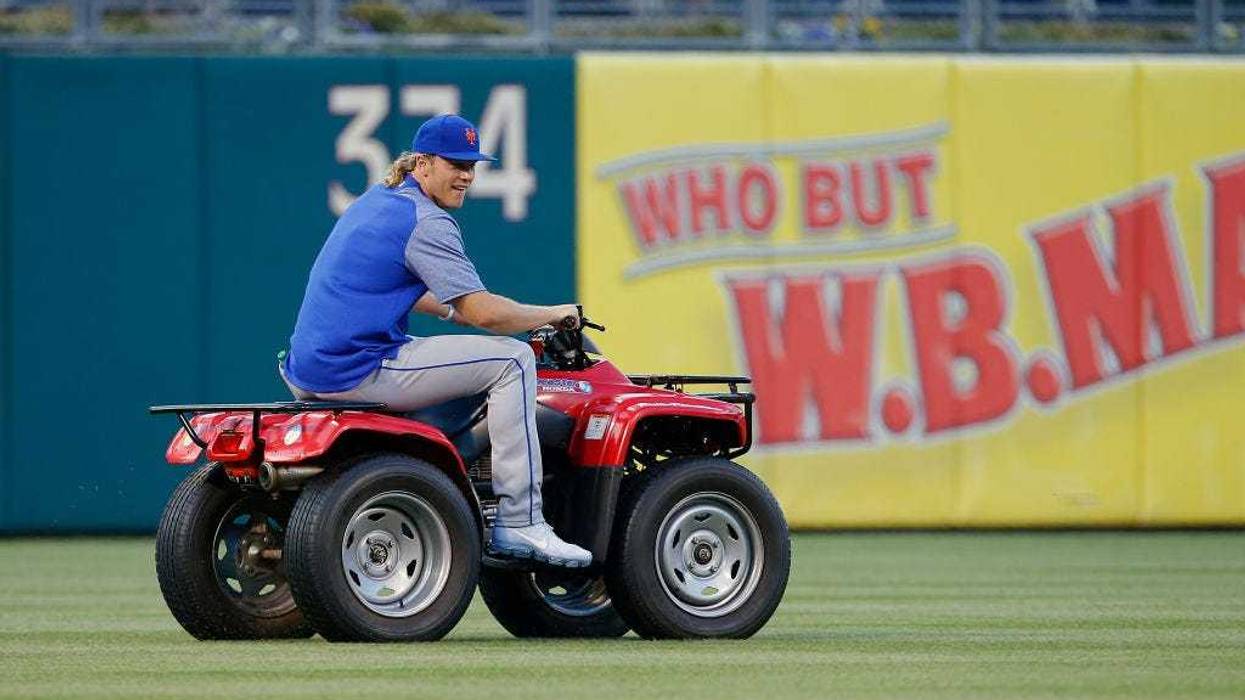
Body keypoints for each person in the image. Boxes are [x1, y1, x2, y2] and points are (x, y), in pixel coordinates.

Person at [280, 114, 591, 568]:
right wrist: (552, 313)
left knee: (487, 354)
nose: (466, 174)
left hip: (307, 371)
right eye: (455, 163)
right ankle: (520, 521)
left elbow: (386, 283)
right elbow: (483, 313)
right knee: (516, 360)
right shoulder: (428, 220)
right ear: (422, 164)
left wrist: (452, 309)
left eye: (472, 164)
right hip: (358, 369)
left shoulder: (379, 200)